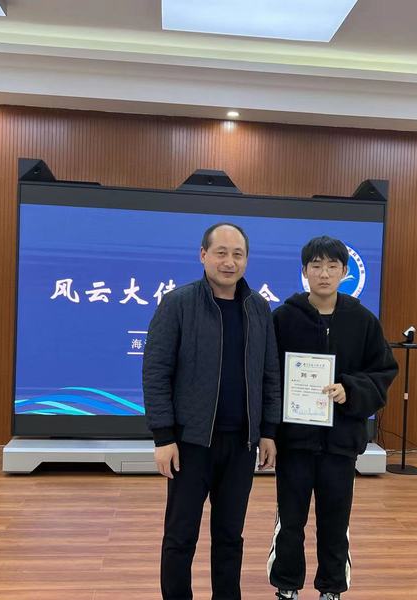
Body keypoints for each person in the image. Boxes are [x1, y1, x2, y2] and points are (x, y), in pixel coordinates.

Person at [143, 222, 281, 600]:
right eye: (221, 253)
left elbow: (270, 373)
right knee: (180, 537)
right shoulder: (178, 303)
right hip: (190, 444)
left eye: (237, 254)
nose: (229, 262)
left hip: (241, 445)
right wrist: (163, 437)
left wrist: (268, 431)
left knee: (229, 537)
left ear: (246, 260)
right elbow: (156, 372)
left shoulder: (259, 308)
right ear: (203, 255)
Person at [268, 236, 399, 600]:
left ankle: (331, 588)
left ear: (344, 272)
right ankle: (287, 585)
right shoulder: (282, 319)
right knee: (290, 521)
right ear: (305, 271)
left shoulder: (363, 320)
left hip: (340, 445)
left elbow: (383, 371)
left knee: (335, 522)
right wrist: (269, 433)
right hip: (294, 443)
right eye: (316, 266)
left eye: (331, 266)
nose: (323, 274)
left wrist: (350, 390)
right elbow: (268, 377)